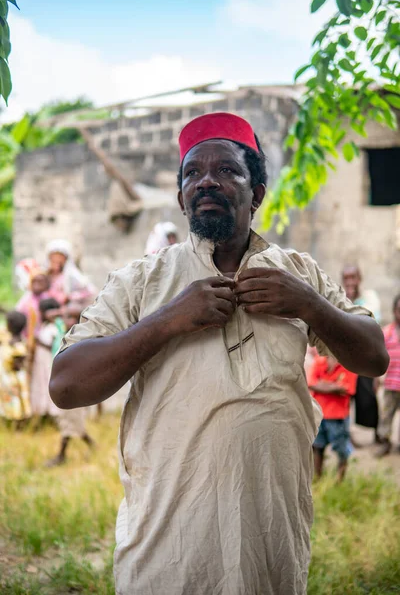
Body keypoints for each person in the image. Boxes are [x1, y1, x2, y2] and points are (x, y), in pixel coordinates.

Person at [50, 112, 388, 595]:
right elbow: (65, 385)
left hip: (272, 538)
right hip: (169, 544)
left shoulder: (297, 272)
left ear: (257, 193)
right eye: (192, 173)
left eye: (227, 170)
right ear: (183, 198)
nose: (206, 180)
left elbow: (374, 357)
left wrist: (306, 303)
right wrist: (169, 320)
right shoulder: (141, 281)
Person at [46, 306, 95, 467]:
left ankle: (61, 455)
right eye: (67, 317)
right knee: (71, 422)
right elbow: (50, 315)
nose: (68, 321)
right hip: (65, 385)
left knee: (70, 421)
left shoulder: (83, 339)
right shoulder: (63, 332)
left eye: (72, 317)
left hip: (74, 388)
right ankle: (91, 445)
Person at [342, 264, 382, 443]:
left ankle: (379, 434)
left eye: (353, 278)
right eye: (346, 278)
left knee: (369, 396)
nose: (350, 282)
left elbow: (373, 323)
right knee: (344, 395)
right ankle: (345, 434)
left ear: (360, 279)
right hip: (346, 356)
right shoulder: (339, 297)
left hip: (365, 356)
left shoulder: (369, 298)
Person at [308, 355, 357, 481]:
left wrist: (321, 384)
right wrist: (334, 387)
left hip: (338, 417)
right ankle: (317, 479)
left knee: (341, 450)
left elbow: (347, 389)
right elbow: (310, 383)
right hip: (319, 415)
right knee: (318, 447)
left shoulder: (349, 364)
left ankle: (340, 481)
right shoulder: (319, 362)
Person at [375, 294, 400, 457]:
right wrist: (376, 378)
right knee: (386, 415)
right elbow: (379, 357)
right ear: (394, 311)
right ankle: (385, 442)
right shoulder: (387, 332)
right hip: (391, 383)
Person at [29, 298, 62, 418]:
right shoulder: (44, 325)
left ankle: (53, 413)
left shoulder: (55, 327)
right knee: (40, 384)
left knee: (47, 383)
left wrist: (38, 341)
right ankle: (42, 411)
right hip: (41, 362)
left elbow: (53, 345)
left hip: (48, 362)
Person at [0, 312, 31, 422]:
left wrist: (15, 362)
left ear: (10, 325)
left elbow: (18, 365)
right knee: (11, 399)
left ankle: (18, 422)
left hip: (14, 377)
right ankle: (11, 419)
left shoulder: (18, 345)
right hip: (10, 376)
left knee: (16, 399)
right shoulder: (8, 339)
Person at [46, 239, 96, 307]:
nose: (56, 259)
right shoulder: (46, 274)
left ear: (65, 258)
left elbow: (90, 291)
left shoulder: (72, 274)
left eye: (60, 256)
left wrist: (70, 297)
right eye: (54, 256)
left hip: (65, 309)